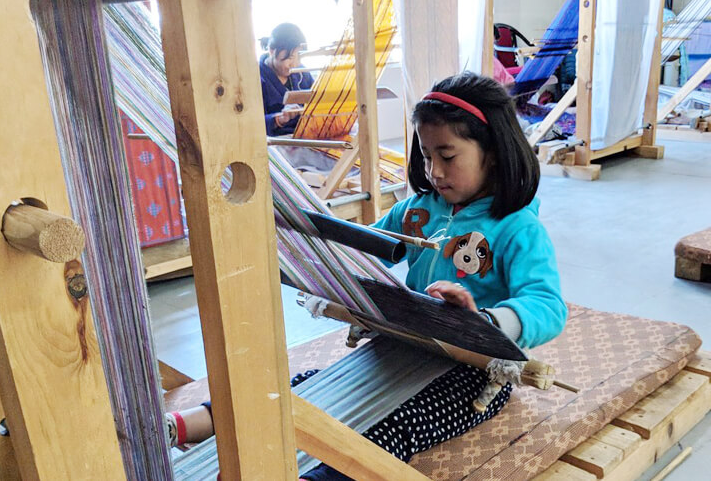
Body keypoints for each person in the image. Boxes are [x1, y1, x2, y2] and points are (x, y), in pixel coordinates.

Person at [166, 72, 568, 480]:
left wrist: (485, 322)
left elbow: (547, 304)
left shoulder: (517, 228)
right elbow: (364, 249)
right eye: (426, 155)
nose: (434, 171)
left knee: (397, 425)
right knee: (306, 389)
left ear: (494, 153)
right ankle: (188, 425)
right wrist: (313, 256)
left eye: (447, 156)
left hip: (473, 371)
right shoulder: (418, 211)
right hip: (403, 347)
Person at [259, 23, 314, 136]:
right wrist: (278, 119)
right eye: (290, 58)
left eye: (299, 58)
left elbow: (317, 102)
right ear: (272, 51)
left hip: (306, 136)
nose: (294, 64)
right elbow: (249, 123)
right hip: (274, 145)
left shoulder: (302, 73)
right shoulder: (256, 79)